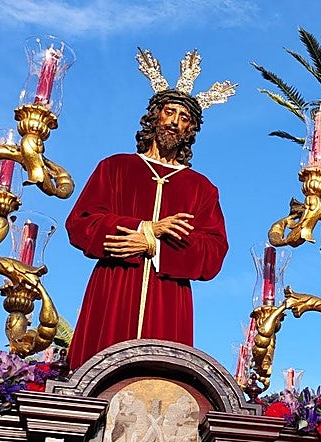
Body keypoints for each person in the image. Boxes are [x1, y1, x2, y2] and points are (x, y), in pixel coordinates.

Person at [65, 49, 235, 369]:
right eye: (169, 112)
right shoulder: (115, 167)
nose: (174, 122)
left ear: (191, 130)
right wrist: (146, 228)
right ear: (155, 116)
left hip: (168, 298)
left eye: (184, 118)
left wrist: (155, 247)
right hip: (115, 286)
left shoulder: (201, 188)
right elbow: (81, 222)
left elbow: (214, 251)